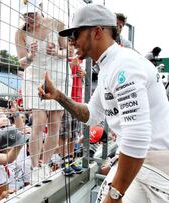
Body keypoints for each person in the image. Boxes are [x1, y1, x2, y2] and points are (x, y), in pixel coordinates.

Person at [38, 4, 169, 203]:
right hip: (142, 162)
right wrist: (58, 96)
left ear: (97, 32)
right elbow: (92, 115)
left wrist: (114, 196)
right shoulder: (111, 65)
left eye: (76, 33)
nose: (71, 41)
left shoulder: (123, 65)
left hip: (152, 168)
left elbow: (137, 137)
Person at [15, 0, 70, 181]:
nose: (29, 17)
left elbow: (69, 51)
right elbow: (21, 62)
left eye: (32, 13)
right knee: (38, 121)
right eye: (25, 14)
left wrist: (57, 53)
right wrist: (30, 56)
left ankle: (45, 164)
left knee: (55, 123)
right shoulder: (21, 33)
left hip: (57, 76)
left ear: (40, 8)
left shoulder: (57, 24)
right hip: (34, 77)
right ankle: (35, 168)